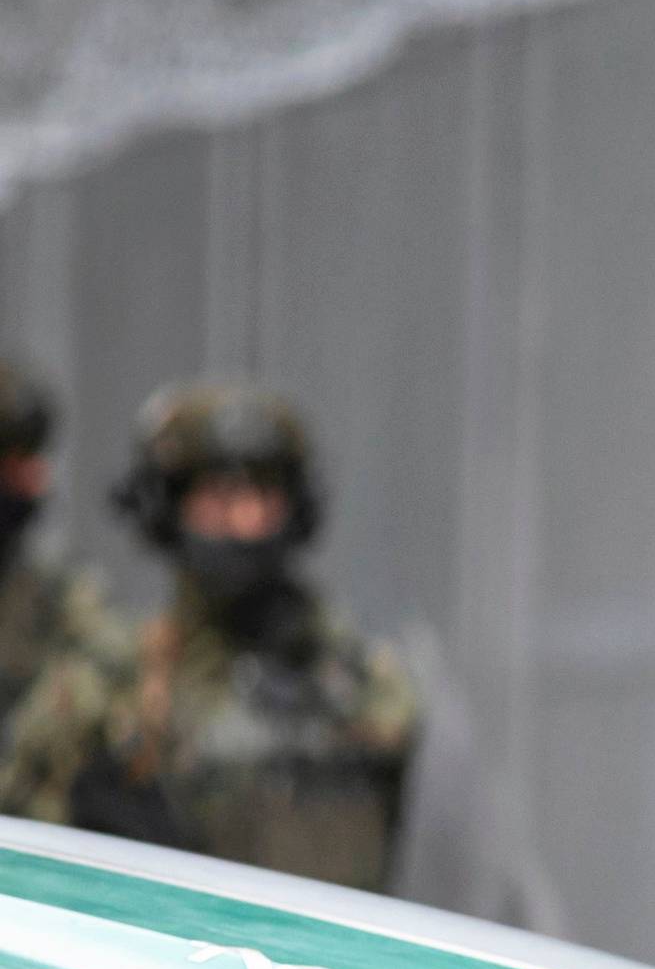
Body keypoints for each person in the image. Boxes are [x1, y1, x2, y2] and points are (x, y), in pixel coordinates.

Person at [0, 380, 416, 889]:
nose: (246, 520)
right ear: (168, 507)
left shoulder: (365, 686)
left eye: (265, 494)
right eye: (221, 495)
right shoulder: (109, 688)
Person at [0, 356, 128, 738]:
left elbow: (111, 662)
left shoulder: (57, 590)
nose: (36, 481)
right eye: (11, 462)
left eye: (33, 457)